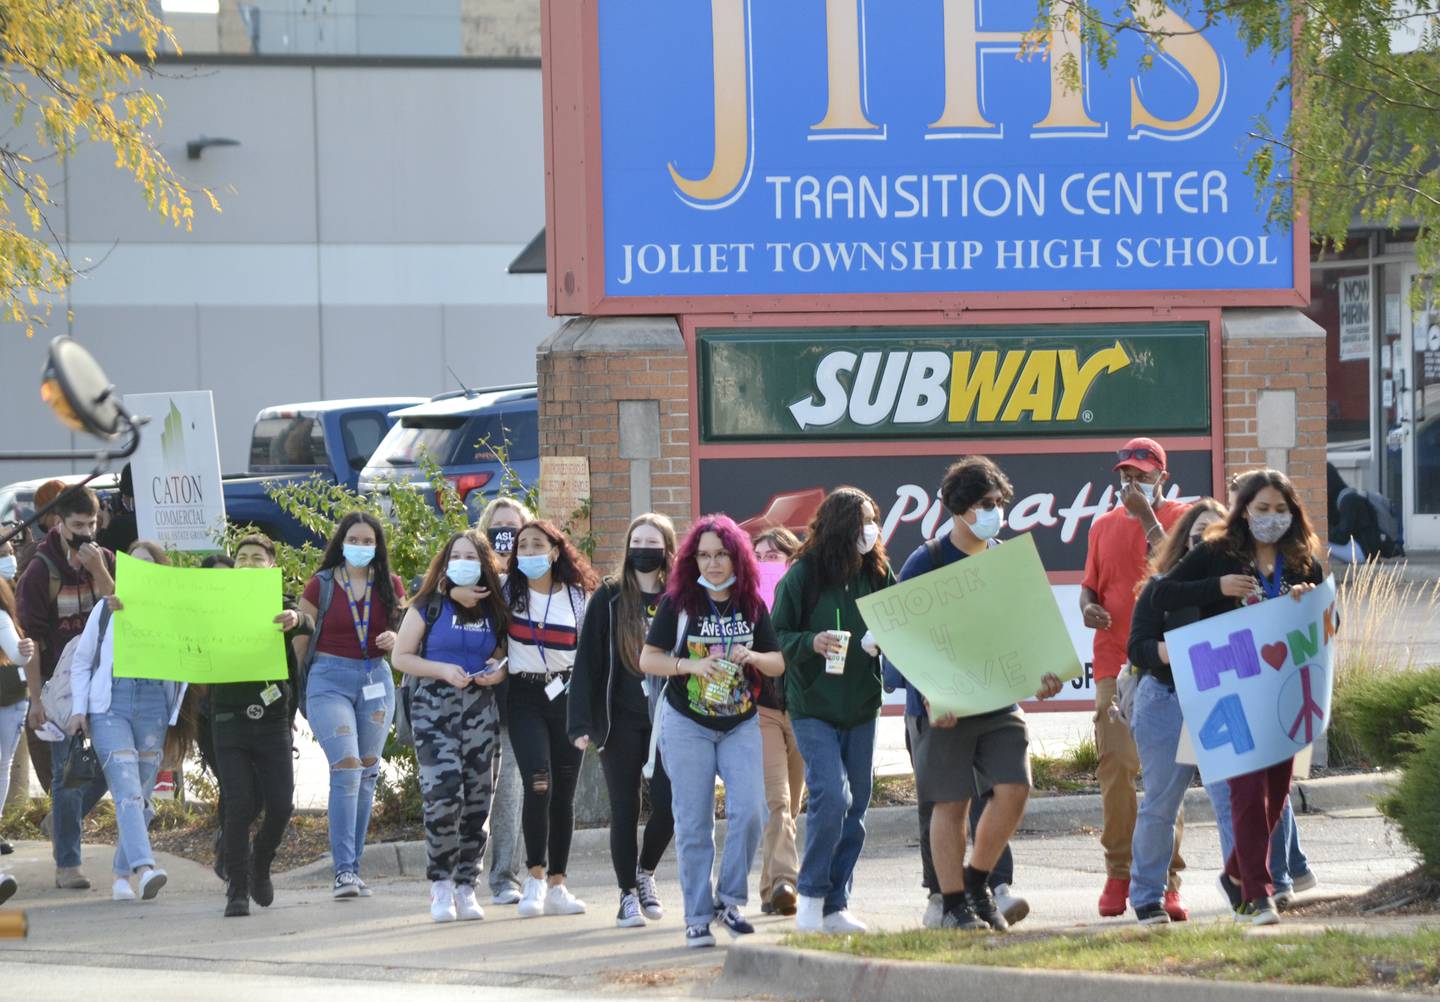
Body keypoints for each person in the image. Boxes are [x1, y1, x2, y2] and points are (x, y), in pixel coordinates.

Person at [885, 457, 1063, 932]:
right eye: (987, 504)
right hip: (943, 708)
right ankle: (954, 904)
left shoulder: (1008, 562)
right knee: (952, 802)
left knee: (1014, 787)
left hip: (1000, 702)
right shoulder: (929, 560)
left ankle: (977, 879)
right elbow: (900, 638)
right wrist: (925, 693)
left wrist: (1046, 672)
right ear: (959, 508)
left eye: (999, 503)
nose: (996, 512)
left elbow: (1031, 630)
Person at [1151, 469, 1325, 925]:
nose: (1271, 518)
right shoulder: (1216, 553)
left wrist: (1306, 602)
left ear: (1293, 513)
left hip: (1283, 696)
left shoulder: (1303, 560)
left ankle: (1234, 876)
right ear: (1244, 510)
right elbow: (1159, 593)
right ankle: (1257, 894)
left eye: (1281, 510)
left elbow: (1329, 621)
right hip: (1232, 693)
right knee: (1246, 792)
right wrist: (1217, 588)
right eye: (1262, 509)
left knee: (1272, 798)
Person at [640, 514, 786, 949]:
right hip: (687, 724)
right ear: (692, 560)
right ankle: (698, 916)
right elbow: (649, 659)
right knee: (694, 823)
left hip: (740, 721)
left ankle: (729, 900)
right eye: (703, 555)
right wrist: (690, 665)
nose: (713, 563)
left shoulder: (751, 604)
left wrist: (755, 657)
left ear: (736, 555)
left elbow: (778, 662)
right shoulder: (679, 603)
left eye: (721, 554)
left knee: (752, 811)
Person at [1079, 437, 1192, 920]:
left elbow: (1180, 573)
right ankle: (1119, 871)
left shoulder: (1183, 519)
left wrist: (1146, 516)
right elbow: (1090, 586)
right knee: (1117, 767)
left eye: (1143, 474)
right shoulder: (1101, 526)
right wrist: (1089, 609)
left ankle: (1166, 878)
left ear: (1162, 477)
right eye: (1126, 474)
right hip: (1114, 662)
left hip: (1165, 666)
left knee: (1164, 777)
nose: (1132, 482)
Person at [771, 488, 893, 933]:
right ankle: (811, 894)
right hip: (813, 706)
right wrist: (811, 642)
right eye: (862, 520)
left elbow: (899, 616)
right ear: (840, 525)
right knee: (831, 795)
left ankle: (836, 903)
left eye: (873, 519)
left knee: (857, 804)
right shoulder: (803, 575)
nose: (871, 529)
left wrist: (883, 637)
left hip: (862, 703)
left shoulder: (877, 570)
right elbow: (775, 635)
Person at [393, 529, 509, 923]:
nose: (463, 561)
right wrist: (440, 669)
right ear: (445, 563)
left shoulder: (493, 608)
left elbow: (498, 653)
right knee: (443, 798)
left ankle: (466, 885)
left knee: (478, 800)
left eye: (471, 556)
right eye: (456, 555)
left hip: (480, 710)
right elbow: (401, 657)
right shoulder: (427, 605)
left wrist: (497, 671)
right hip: (434, 709)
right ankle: (440, 884)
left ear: (484, 565)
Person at [69, 541, 194, 902]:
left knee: (140, 794)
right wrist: (80, 709)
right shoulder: (104, 611)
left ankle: (122, 876)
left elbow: (187, 659)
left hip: (153, 703)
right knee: (126, 790)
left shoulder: (171, 614)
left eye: (147, 566)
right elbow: (82, 661)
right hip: (111, 705)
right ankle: (145, 867)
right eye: (132, 566)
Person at [569, 513, 677, 929]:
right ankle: (626, 895)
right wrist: (579, 722)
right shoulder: (610, 597)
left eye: (652, 542)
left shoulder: (678, 598)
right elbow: (588, 664)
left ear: (667, 549)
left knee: (669, 806)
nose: (643, 550)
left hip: (669, 719)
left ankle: (645, 872)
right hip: (620, 721)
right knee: (625, 806)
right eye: (637, 541)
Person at [1125, 499, 1226, 924]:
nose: (1204, 539)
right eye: (1196, 531)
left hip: (1224, 702)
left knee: (1232, 801)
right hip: (1166, 699)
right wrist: (1165, 651)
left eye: (1215, 532)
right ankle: (1147, 896)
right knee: (1161, 805)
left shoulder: (1242, 586)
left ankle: (1253, 891)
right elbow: (1137, 647)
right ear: (1183, 538)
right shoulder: (1162, 587)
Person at [295, 512, 405, 900]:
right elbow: (301, 641)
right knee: (346, 766)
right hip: (329, 680)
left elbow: (406, 631)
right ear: (341, 542)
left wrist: (395, 636)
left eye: (368, 540)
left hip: (375, 679)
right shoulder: (320, 585)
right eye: (354, 539)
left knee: (366, 773)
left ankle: (353, 867)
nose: (361, 546)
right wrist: (301, 691)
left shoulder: (390, 585)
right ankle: (342, 871)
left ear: (378, 546)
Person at [17, 485, 115, 888]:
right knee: (67, 771)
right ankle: (68, 865)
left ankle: (60, 822)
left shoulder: (104, 560)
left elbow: (122, 608)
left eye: (92, 524)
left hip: (102, 677)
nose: (86, 532)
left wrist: (100, 573)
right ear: (59, 523)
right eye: (78, 525)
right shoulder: (40, 570)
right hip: (59, 684)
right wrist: (35, 699)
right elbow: (32, 641)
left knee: (113, 763)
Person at [209, 534, 310, 917]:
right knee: (238, 805)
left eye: (257, 558)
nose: (249, 563)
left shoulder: (280, 604)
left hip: (270, 719)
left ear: (271, 566)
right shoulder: (213, 606)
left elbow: (309, 623)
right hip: (227, 717)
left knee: (281, 804)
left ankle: (260, 865)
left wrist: (296, 619)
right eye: (242, 558)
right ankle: (236, 888)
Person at [504, 519, 597, 918]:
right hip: (523, 695)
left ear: (555, 551)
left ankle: (558, 883)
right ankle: (535, 878)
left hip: (568, 696)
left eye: (537, 544)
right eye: (522, 546)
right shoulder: (507, 592)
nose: (529, 552)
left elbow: (593, 654)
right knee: (538, 780)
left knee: (564, 791)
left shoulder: (579, 598)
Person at [476, 496, 529, 906]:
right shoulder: (470, 576)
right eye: (498, 528)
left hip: (517, 699)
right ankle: (459, 875)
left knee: (510, 790)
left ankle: (505, 877)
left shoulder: (535, 578)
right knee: (471, 792)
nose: (505, 535)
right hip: (470, 697)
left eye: (514, 527)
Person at [751, 526, 805, 917]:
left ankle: (770, 888)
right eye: (759, 555)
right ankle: (787, 880)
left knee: (794, 804)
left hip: (802, 711)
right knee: (778, 800)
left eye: (774, 554)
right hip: (763, 710)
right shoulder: (746, 605)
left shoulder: (804, 599)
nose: (766, 561)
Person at [0, 568, 37, 900]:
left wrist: (24, 648)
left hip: (9, 701)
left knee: (1, 770)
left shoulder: (1, 615)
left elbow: (18, 653)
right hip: (10, 703)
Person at [1326, 463, 1383, 563]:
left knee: (1312, 542)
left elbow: (1342, 537)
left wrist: (1323, 531)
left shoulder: (1349, 500)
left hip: (1364, 552)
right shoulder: (1344, 498)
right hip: (1362, 549)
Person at [96, 464, 138, 555]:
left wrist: (105, 526)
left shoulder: (121, 523)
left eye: (124, 494)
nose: (123, 498)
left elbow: (100, 556)